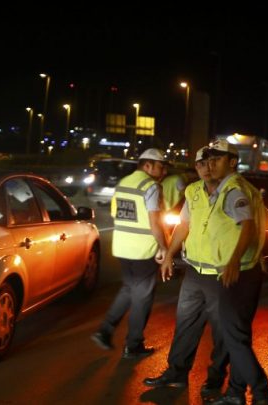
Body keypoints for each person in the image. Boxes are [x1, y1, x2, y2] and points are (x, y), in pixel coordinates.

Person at [142, 147, 230, 401]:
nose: (206, 167)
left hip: (219, 274)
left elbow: (246, 229)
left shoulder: (234, 191)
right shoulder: (192, 191)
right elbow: (184, 225)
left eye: (211, 162)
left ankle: (215, 381)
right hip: (194, 271)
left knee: (221, 331)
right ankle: (176, 373)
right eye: (201, 163)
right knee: (185, 325)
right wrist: (169, 255)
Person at [200, 140, 268, 405]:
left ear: (232, 162)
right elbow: (261, 225)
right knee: (239, 337)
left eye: (217, 159)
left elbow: (247, 225)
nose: (211, 164)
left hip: (237, 273)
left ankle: (262, 393)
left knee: (234, 339)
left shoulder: (233, 190)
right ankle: (235, 392)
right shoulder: (245, 188)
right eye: (209, 160)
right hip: (248, 270)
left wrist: (233, 260)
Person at [91, 148, 168, 359]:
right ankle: (133, 345)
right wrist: (164, 247)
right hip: (143, 250)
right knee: (142, 297)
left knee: (128, 289)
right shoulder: (150, 186)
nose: (163, 171)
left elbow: (117, 213)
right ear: (148, 165)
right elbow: (154, 221)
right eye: (160, 166)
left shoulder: (123, 184)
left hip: (123, 247)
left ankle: (105, 330)